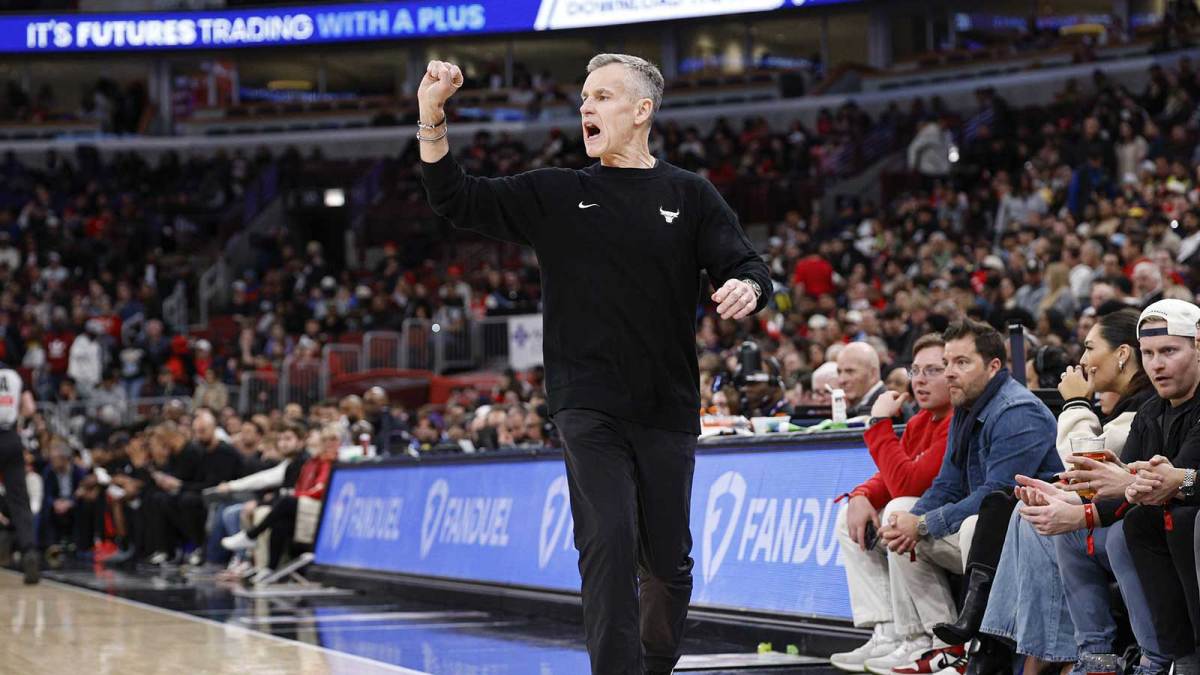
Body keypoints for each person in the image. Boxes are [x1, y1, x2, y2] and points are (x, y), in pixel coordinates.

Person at [419, 54, 770, 674]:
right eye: (584, 97)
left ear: (642, 112)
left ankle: (654, 665)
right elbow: (457, 199)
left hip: (666, 405)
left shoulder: (689, 194)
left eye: (603, 97)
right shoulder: (557, 192)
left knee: (668, 562)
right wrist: (432, 120)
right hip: (586, 402)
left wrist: (750, 287)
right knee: (606, 541)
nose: (587, 107)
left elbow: (747, 265)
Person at [940, 308, 1153, 673]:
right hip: (1109, 517)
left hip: (1135, 525)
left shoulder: (1143, 408)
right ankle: (999, 649)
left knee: (1029, 519)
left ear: (1121, 354)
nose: (1083, 360)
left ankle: (1051, 656)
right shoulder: (1128, 406)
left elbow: (1082, 464)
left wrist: (1074, 402)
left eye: (1089, 347)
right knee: (1021, 511)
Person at [1007, 299, 1200, 675]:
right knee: (1064, 531)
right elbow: (1123, 484)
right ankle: (1096, 655)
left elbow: (1167, 481)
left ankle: (1159, 660)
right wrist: (1074, 509)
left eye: (1169, 351)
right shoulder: (1151, 412)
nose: (1156, 364)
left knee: (1131, 530)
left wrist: (1107, 493)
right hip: (1159, 524)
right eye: (1149, 353)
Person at [872, 319, 1060, 675]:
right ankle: (942, 646)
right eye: (948, 363)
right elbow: (948, 483)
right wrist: (913, 521)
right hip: (983, 534)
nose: (950, 373)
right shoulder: (965, 406)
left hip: (1031, 538)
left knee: (977, 522)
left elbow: (996, 497)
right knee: (898, 511)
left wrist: (925, 523)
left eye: (962, 362)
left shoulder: (1017, 410)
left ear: (993, 366)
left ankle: (981, 647)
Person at [830, 334, 954, 672]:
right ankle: (886, 632)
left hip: (954, 522)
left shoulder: (958, 419)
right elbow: (892, 474)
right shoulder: (919, 422)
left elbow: (909, 483)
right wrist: (861, 495)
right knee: (849, 518)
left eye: (933, 370)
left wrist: (879, 424)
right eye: (915, 371)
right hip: (928, 519)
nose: (920, 380)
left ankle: (928, 639)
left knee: (899, 510)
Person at [0, 363, 38, 583]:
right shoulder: (14, 375)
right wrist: (17, 422)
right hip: (11, 438)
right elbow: (30, 408)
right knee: (19, 501)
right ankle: (29, 551)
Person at [838, 342, 888, 418]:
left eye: (850, 371)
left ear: (872, 374)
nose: (841, 380)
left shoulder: (890, 409)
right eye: (839, 372)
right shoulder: (854, 406)